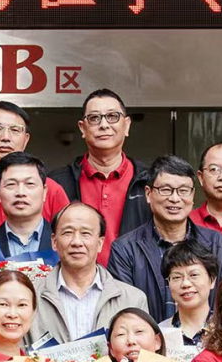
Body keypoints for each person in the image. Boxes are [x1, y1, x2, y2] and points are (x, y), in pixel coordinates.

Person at [109, 155, 222, 321]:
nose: (175, 198)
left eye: (183, 190)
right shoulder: (125, 250)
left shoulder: (220, 246)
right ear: (148, 194)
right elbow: (125, 314)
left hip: (209, 337)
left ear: (192, 196)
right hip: (148, 337)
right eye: (165, 190)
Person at [51, 89, 150, 259]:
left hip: (136, 276)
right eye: (94, 118)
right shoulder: (56, 183)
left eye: (112, 116)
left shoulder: (150, 182)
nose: (104, 125)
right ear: (82, 128)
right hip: (75, 274)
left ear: (126, 125)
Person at [31, 203, 150, 345]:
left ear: (100, 243)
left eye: (86, 233)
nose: (76, 242)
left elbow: (142, 353)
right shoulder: (30, 297)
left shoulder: (133, 299)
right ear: (54, 242)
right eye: (68, 233)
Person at [0, 101, 71, 235]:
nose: (5, 137)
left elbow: (67, 237)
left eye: (15, 130)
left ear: (25, 140)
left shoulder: (51, 190)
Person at [0, 152, 55, 261]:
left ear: (44, 192)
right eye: (11, 184)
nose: (20, 192)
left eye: (30, 184)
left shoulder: (65, 242)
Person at [161, 240, 217, 353]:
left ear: (212, 280)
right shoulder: (158, 334)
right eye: (177, 277)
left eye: (194, 275)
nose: (185, 284)